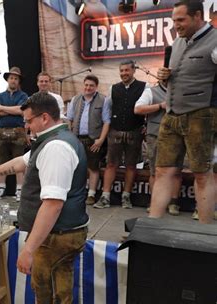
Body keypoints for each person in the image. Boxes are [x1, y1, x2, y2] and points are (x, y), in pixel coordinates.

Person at [0, 92, 88, 303]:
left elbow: (53, 205)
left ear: (44, 117)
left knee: (46, 293)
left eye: (28, 121)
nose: (26, 126)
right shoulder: (55, 139)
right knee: (61, 292)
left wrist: (28, 250)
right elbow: (21, 162)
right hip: (63, 233)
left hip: (56, 236)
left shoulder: (56, 147)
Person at [150, 0, 217, 224]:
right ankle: (152, 226)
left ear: (198, 16)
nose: (176, 25)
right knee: (162, 171)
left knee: (201, 174)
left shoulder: (215, 40)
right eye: (174, 20)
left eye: (181, 20)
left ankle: (205, 231)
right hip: (171, 115)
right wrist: (165, 76)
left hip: (201, 115)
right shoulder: (177, 42)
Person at [93, 60, 147, 209]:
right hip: (115, 131)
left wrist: (146, 126)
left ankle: (126, 197)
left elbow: (147, 108)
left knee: (131, 165)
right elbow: (107, 110)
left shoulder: (144, 87)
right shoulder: (113, 88)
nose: (123, 73)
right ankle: (105, 197)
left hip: (134, 131)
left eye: (126, 70)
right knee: (111, 164)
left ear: (133, 70)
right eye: (121, 71)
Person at [134, 80, 182, 215]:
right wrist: (160, 106)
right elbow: (138, 109)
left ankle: (173, 203)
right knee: (155, 171)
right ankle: (155, 201)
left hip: (176, 136)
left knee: (176, 171)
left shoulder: (182, 91)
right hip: (155, 135)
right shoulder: (151, 91)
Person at [67, 74, 110, 205]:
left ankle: (91, 195)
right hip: (77, 139)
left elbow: (107, 122)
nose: (88, 88)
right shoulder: (75, 99)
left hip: (94, 140)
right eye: (86, 85)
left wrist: (101, 140)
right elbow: (69, 119)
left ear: (96, 87)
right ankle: (77, 193)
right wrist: (70, 137)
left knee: (93, 167)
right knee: (77, 168)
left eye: (91, 85)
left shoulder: (104, 100)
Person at [0, 67, 28, 201]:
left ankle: (19, 190)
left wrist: (3, 108)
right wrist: (9, 110)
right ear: (8, 80)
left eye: (16, 78)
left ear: (19, 81)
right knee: (1, 161)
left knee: (19, 161)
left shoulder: (23, 96)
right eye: (11, 78)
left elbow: (21, 110)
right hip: (2, 131)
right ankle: (1, 188)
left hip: (18, 131)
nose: (13, 80)